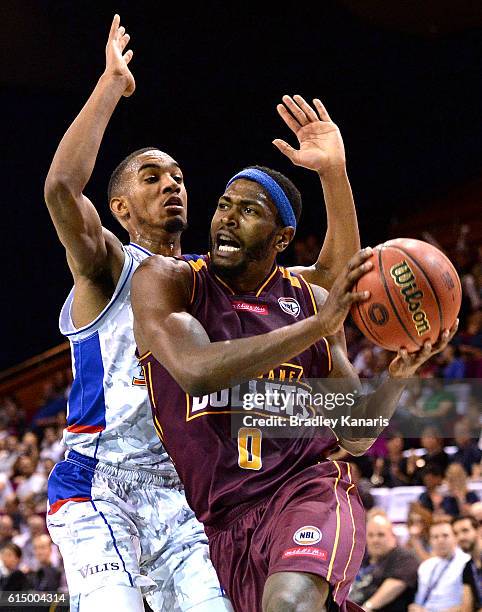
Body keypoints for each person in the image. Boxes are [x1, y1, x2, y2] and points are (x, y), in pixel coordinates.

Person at [44, 14, 362, 612]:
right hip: (98, 485)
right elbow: (61, 188)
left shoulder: (204, 280)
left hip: (186, 491)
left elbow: (328, 283)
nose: (173, 185)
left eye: (180, 176)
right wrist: (111, 84)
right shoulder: (108, 266)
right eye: (151, 176)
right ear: (118, 207)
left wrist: (334, 176)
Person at [132, 162, 457, 610]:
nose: (228, 217)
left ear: (281, 238)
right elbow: (196, 370)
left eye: (249, 210)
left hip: (307, 491)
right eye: (224, 205)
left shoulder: (309, 301)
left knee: (288, 604)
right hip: (223, 524)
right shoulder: (170, 282)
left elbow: (356, 435)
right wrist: (317, 327)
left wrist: (398, 376)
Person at [350, 514, 419, 611]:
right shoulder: (362, 559)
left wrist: (366, 608)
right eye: (370, 535)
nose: (375, 540)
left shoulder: (403, 557)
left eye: (381, 535)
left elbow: (395, 585)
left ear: (393, 536)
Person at [410, 518, 470, 612]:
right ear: (430, 541)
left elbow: (468, 604)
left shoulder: (466, 563)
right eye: (435, 537)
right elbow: (418, 601)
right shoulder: (425, 566)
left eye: (445, 536)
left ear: (455, 538)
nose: (440, 541)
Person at [452, 516, 482, 612]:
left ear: (478, 530)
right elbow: (466, 606)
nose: (460, 537)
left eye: (465, 531)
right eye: (456, 533)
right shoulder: (467, 568)